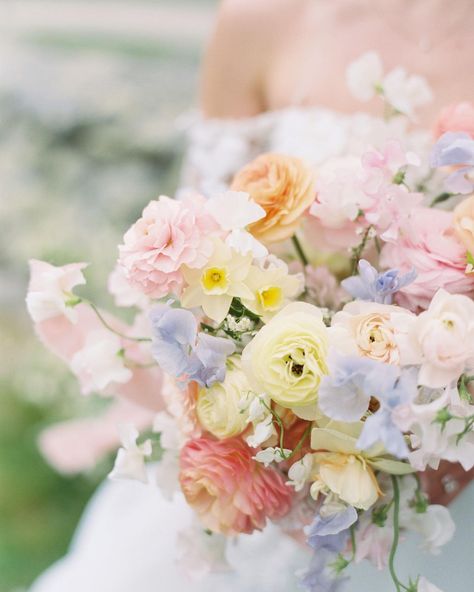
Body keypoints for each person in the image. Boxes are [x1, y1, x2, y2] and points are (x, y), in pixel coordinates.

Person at [31, 1, 474, 591]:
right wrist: (261, 417)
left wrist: (448, 425)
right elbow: (185, 259)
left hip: (449, 485)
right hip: (261, 450)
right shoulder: (261, 19)